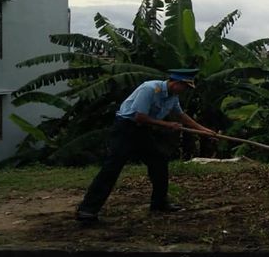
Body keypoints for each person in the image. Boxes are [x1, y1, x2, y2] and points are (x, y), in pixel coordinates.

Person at [75, 69, 216, 223]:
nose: (185, 91)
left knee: (159, 162)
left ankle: (159, 203)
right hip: (126, 129)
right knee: (112, 168)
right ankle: (87, 210)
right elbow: (140, 116)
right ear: (176, 83)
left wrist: (203, 130)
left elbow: (181, 115)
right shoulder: (149, 89)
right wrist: (166, 124)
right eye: (185, 87)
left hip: (143, 131)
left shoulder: (173, 96)